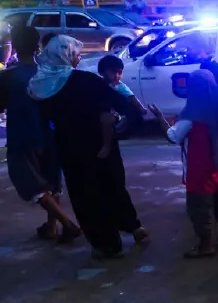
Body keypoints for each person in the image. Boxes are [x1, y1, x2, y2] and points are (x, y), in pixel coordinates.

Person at [30, 36, 148, 258]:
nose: (79, 58)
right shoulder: (87, 81)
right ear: (67, 57)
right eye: (76, 54)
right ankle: (132, 226)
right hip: (102, 147)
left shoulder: (40, 87)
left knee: (86, 196)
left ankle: (106, 244)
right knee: (113, 187)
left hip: (71, 149)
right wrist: (117, 128)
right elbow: (126, 107)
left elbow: (41, 122)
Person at [0, 25, 80, 243]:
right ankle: (51, 227)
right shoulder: (50, 73)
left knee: (31, 184)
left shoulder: (8, 77)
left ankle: (66, 224)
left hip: (22, 136)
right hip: (50, 133)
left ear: (16, 46)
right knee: (52, 181)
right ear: (37, 46)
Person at [164, 69, 218, 257]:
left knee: (199, 206)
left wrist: (160, 120)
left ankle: (206, 245)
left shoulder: (191, 114)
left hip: (200, 169)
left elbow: (174, 136)